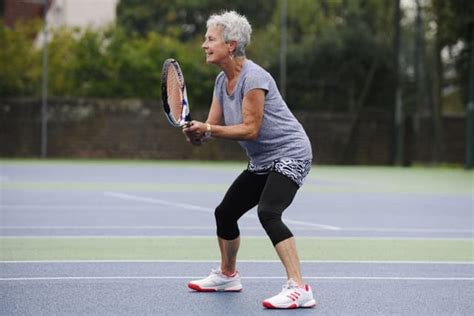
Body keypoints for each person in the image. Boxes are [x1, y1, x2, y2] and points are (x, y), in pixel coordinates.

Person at [183, 11, 316, 309]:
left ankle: (299, 287)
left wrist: (208, 129)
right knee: (225, 213)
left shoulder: (254, 77)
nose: (204, 45)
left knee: (269, 212)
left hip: (290, 152)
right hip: (262, 159)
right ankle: (228, 275)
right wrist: (198, 133)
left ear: (231, 45)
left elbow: (250, 129)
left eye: (210, 39)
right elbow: (212, 128)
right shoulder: (221, 81)